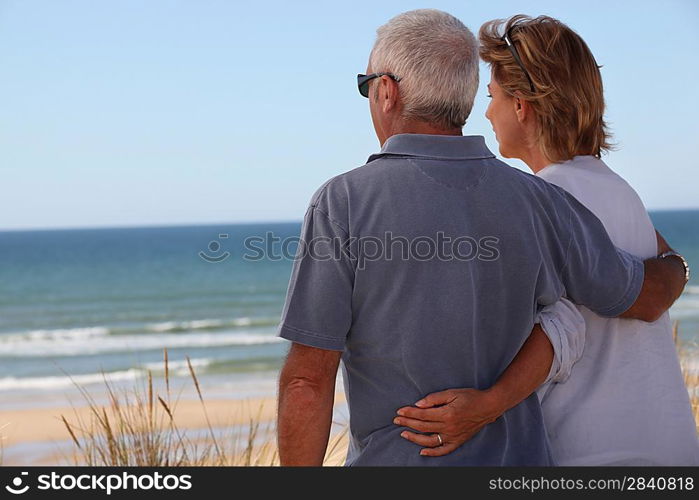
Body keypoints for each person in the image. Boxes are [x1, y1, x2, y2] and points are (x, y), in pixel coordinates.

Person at [276, 9, 688, 466]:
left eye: (366, 85)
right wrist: (674, 261)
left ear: (386, 91)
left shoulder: (342, 202)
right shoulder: (540, 200)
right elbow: (637, 295)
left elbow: (308, 382)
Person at [396, 15, 699, 465]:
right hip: (670, 449)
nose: (487, 112)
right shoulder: (617, 189)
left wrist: (484, 407)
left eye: (493, 95)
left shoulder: (548, 198)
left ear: (521, 106)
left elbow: (560, 325)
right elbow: (661, 267)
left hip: (594, 455)